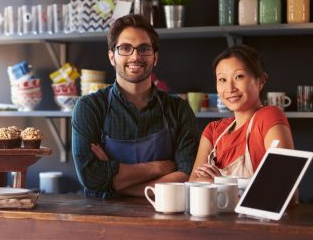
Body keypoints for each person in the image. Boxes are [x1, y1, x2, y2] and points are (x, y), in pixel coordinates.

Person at [72, 14, 199, 197]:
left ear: (155, 57)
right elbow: (92, 178)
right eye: (125, 48)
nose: (135, 56)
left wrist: (113, 183)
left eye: (144, 49)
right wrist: (160, 167)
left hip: (165, 219)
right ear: (111, 57)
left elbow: (186, 176)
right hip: (103, 220)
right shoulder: (89, 108)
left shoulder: (179, 110)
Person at [189, 45, 294, 182]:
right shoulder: (213, 131)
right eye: (222, 79)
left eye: (239, 77)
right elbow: (192, 184)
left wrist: (220, 182)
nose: (230, 88)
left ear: (261, 81)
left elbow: (284, 188)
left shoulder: (268, 117)